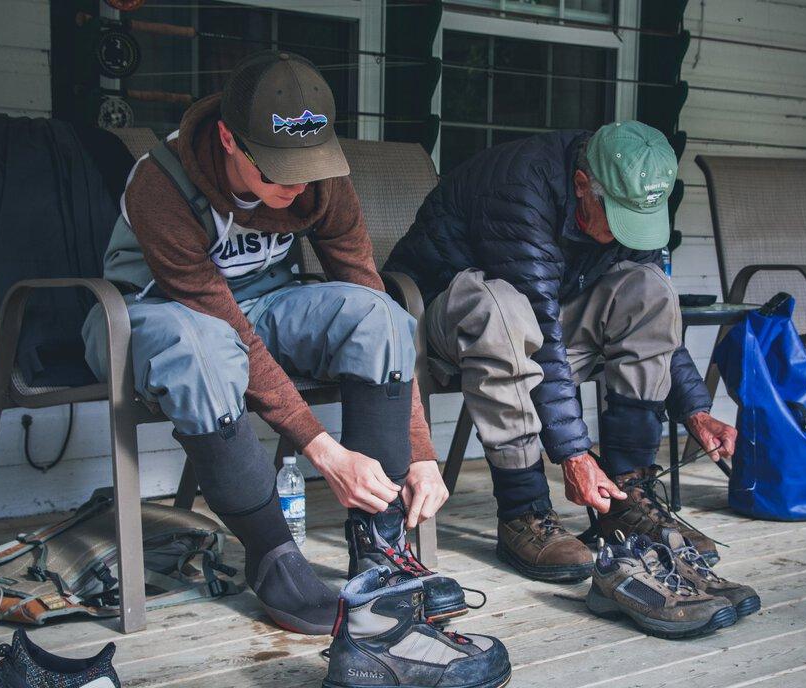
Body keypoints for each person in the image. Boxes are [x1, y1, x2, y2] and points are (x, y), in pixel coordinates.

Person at [81, 50, 461, 635]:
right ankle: (273, 558)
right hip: (149, 314)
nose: (295, 184)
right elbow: (220, 324)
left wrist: (420, 450)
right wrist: (324, 451)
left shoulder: (322, 182)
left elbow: (364, 286)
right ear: (231, 140)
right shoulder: (161, 182)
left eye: (306, 166)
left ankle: (379, 548)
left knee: (378, 314)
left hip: (263, 307)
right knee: (203, 347)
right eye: (276, 170)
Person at [385, 121, 737, 582]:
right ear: (581, 186)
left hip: (537, 319)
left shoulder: (618, 202)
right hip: (442, 322)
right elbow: (538, 324)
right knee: (500, 309)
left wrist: (695, 409)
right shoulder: (520, 187)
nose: (622, 234)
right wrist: (573, 454)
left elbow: (655, 325)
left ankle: (626, 495)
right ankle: (523, 512)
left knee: (649, 288)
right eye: (616, 218)